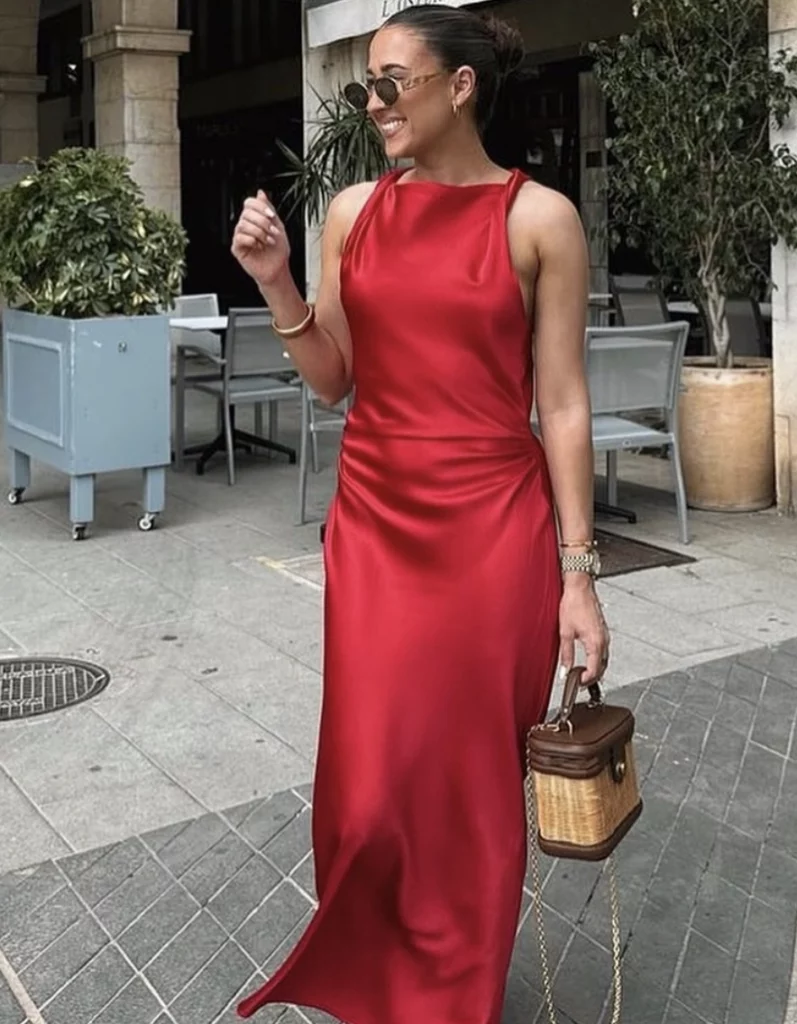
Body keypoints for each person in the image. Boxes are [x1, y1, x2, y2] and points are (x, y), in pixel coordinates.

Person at [232, 5, 609, 1022]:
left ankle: (453, 999)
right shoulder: (354, 211)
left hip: (494, 535)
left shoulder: (540, 220)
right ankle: (381, 979)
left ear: (458, 87)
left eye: (391, 80)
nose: (372, 102)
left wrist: (579, 574)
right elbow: (330, 380)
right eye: (365, 84)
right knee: (364, 792)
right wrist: (274, 281)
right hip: (375, 525)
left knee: (467, 797)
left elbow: (563, 405)